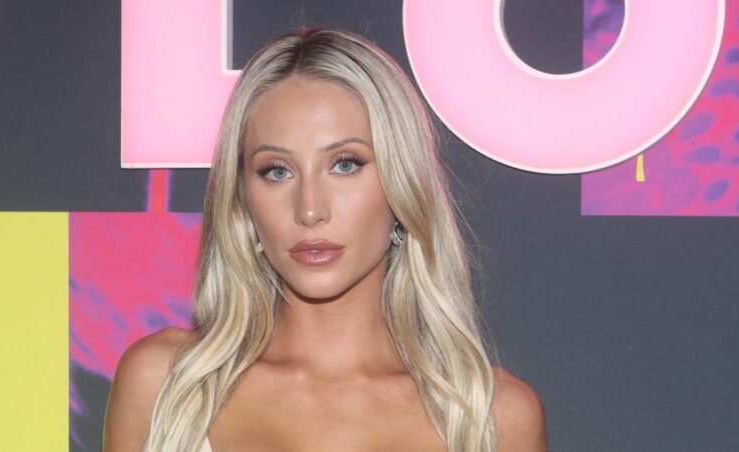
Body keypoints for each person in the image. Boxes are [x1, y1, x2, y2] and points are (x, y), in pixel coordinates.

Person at [103, 28, 547, 452]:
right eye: (277, 171)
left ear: (402, 184)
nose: (310, 209)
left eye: (345, 164)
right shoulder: (165, 385)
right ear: (242, 200)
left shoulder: (492, 417)